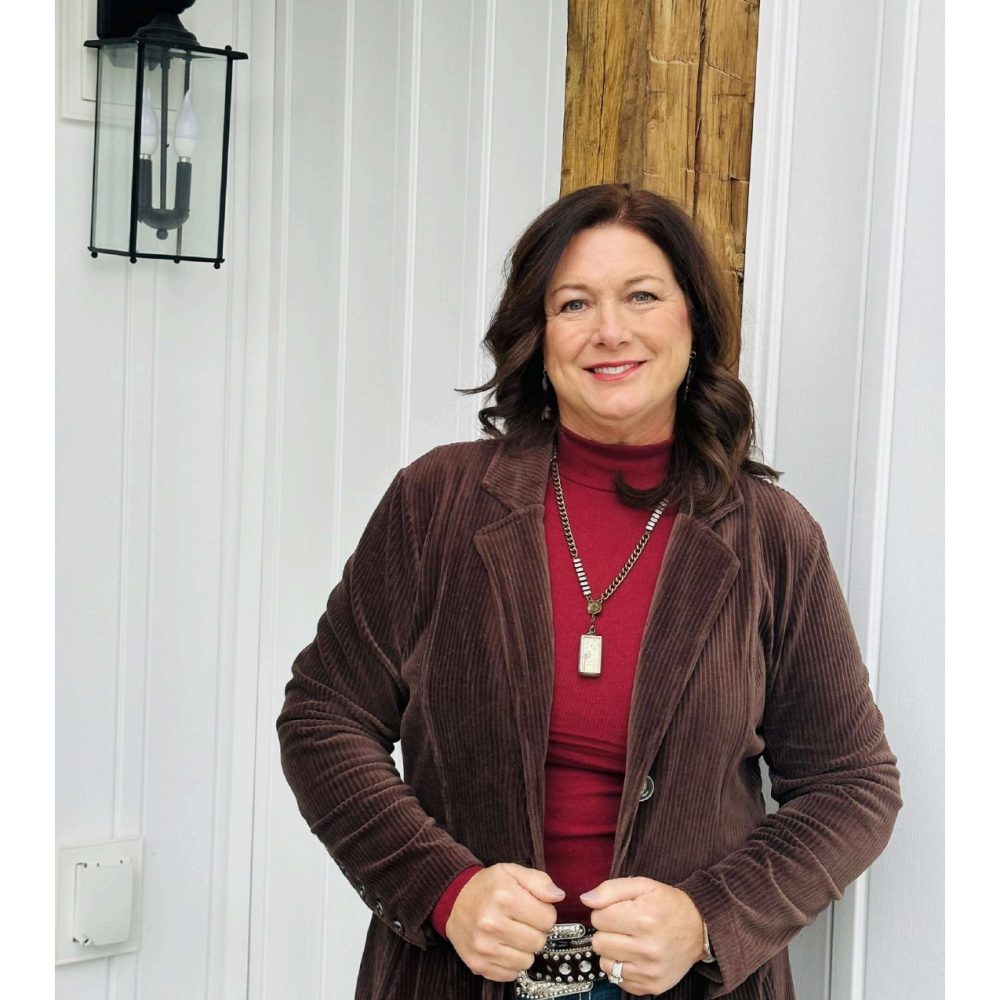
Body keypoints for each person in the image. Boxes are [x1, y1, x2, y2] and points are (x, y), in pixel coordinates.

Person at [277, 184, 901, 1000]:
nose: (611, 330)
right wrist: (445, 891)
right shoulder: (437, 503)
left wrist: (708, 919)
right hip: (453, 978)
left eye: (642, 296)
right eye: (574, 303)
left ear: (693, 323)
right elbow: (324, 718)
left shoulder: (771, 537)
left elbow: (853, 784)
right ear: (538, 337)